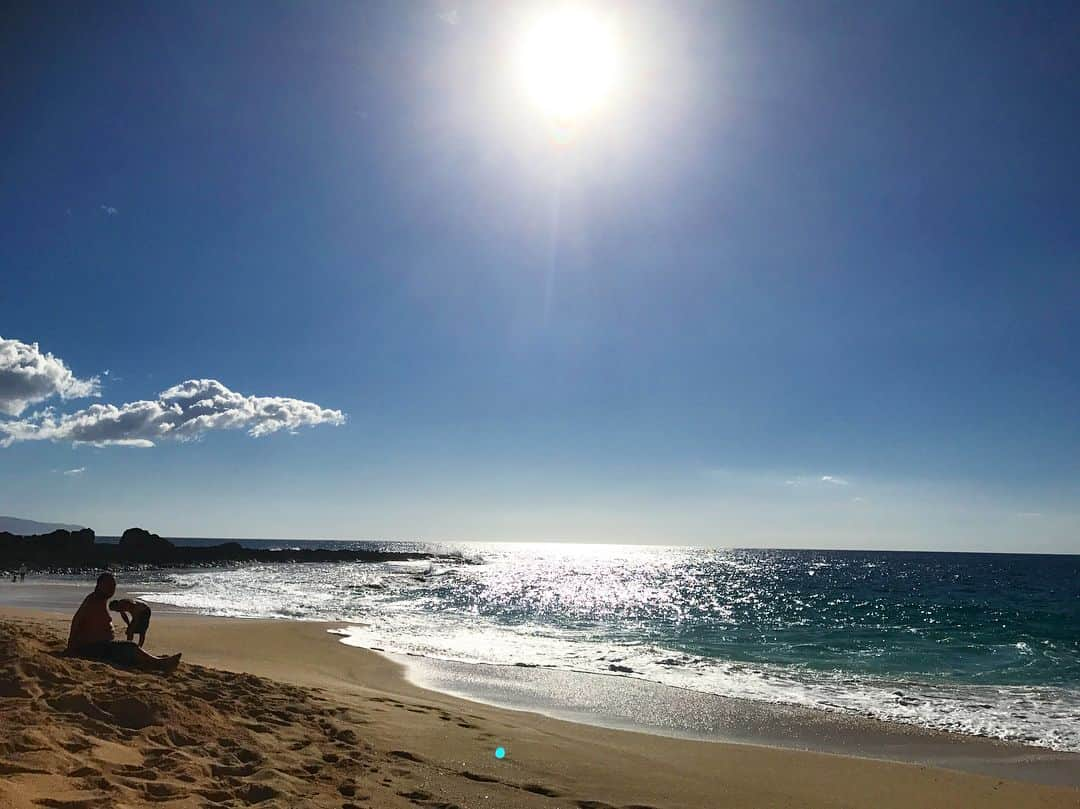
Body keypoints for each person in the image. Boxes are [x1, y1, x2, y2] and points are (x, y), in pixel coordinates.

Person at [67, 573, 181, 672]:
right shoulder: (92, 601)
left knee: (129, 651)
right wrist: (71, 646)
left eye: (113, 586)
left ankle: (155, 661)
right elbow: (77, 621)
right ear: (99, 585)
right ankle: (161, 664)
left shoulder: (101, 601)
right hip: (93, 648)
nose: (112, 588)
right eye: (108, 585)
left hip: (102, 646)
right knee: (130, 646)